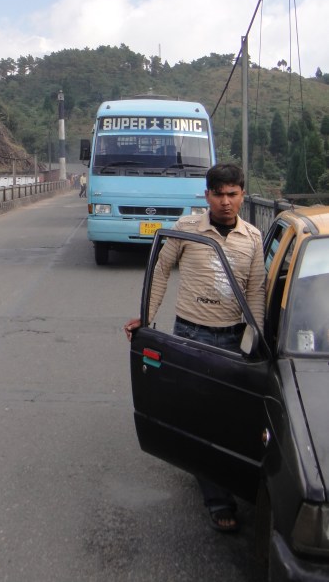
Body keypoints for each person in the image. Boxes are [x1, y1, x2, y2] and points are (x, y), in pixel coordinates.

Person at [125, 163, 265, 534]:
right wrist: (146, 315)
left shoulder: (253, 238)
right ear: (206, 196)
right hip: (191, 336)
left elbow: (255, 294)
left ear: (242, 195)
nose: (225, 201)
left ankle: (226, 478)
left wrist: (257, 341)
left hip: (232, 339)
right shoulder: (187, 229)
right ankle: (218, 500)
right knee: (201, 418)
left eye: (232, 194)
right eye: (218, 194)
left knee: (231, 419)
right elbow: (159, 270)